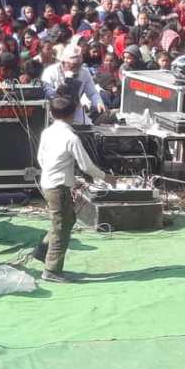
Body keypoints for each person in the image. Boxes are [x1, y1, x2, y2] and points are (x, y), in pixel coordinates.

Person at [33, 95, 107, 283]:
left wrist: (69, 179)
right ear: (72, 114)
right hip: (58, 187)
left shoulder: (47, 132)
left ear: (52, 114)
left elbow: (41, 158)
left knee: (66, 219)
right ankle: (52, 270)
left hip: (48, 182)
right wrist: (106, 177)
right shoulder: (71, 137)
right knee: (62, 227)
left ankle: (43, 251)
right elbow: (86, 165)